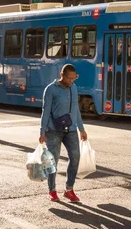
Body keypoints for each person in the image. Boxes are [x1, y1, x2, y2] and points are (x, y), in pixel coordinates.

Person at [39, 64, 87, 203]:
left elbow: (76, 109)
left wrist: (81, 129)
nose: (72, 81)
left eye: (74, 78)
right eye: (69, 78)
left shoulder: (73, 87)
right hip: (53, 130)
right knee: (53, 161)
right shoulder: (51, 89)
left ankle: (69, 189)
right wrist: (42, 132)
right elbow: (45, 111)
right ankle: (52, 190)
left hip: (70, 130)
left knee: (75, 157)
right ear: (62, 74)